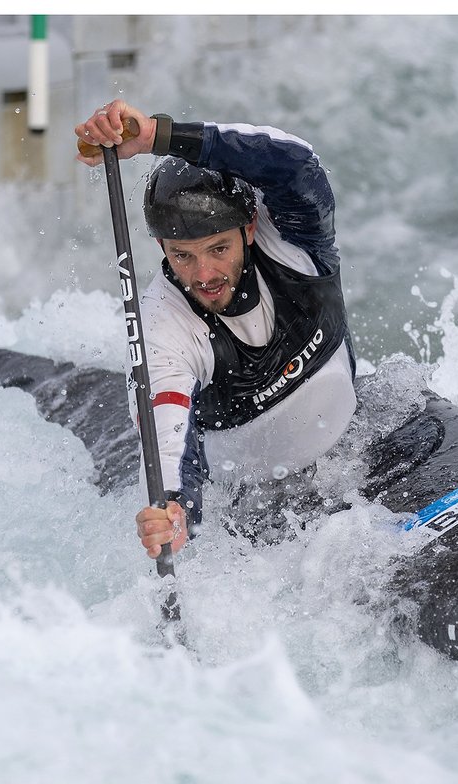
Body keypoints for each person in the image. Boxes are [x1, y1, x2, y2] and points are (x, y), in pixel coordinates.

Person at [74, 99, 356, 563]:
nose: (204, 274)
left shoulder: (293, 237)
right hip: (254, 504)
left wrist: (156, 137)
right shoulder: (163, 328)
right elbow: (168, 438)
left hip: (353, 444)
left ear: (248, 228)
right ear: (161, 246)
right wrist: (176, 510)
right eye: (182, 255)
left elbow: (296, 162)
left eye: (218, 248)